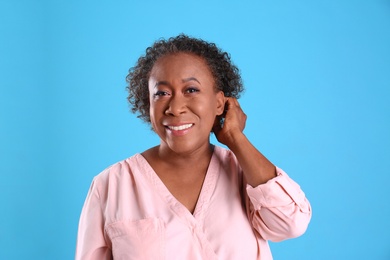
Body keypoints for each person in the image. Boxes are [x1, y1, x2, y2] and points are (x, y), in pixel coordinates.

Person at [75, 34, 311, 260]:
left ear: (220, 103)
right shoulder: (111, 186)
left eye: (191, 90)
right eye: (162, 93)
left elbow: (291, 224)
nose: (175, 107)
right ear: (148, 104)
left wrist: (235, 138)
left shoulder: (247, 176)